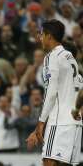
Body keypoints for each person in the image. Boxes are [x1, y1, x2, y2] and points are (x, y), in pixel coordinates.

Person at [26, 19, 83, 166]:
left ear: (49, 36)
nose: (40, 38)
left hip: (60, 121)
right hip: (75, 123)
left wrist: (41, 123)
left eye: (41, 34)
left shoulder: (53, 57)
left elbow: (51, 92)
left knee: (49, 162)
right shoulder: (70, 58)